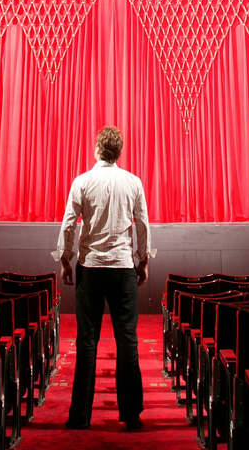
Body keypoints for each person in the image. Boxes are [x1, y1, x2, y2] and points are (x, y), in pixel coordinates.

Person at [57, 125, 153, 432]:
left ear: (98, 150)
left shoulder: (82, 181)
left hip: (91, 267)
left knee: (87, 341)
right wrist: (143, 260)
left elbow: (69, 223)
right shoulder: (133, 182)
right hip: (123, 267)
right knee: (127, 339)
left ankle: (80, 416)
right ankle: (131, 413)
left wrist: (65, 259)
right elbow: (143, 225)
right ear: (119, 152)